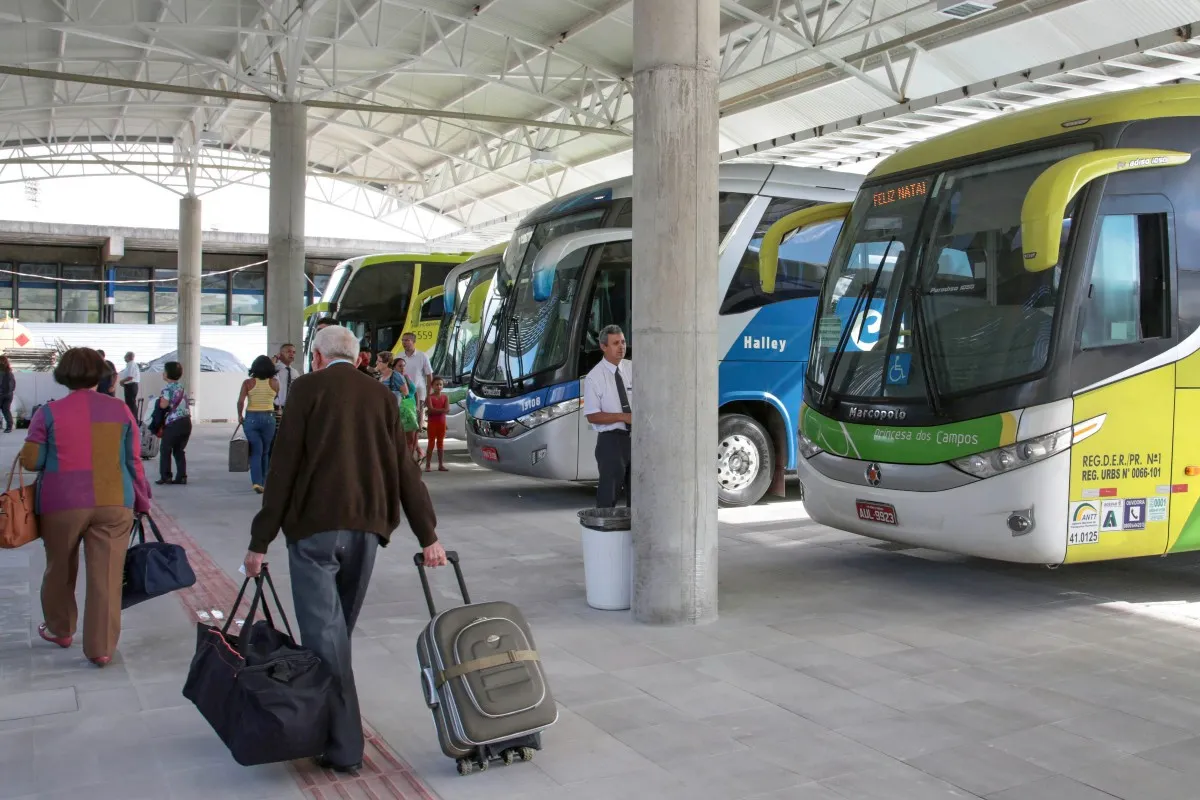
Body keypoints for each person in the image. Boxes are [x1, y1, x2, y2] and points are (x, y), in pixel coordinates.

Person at [243, 324, 446, 774]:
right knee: (333, 638)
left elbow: (283, 468)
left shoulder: (306, 391)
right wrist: (427, 533)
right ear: (356, 359)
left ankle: (343, 746)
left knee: (326, 640)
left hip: (314, 531)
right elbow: (404, 468)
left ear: (316, 357)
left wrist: (261, 540)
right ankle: (325, 728)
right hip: (366, 531)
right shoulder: (380, 396)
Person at [22, 348, 152, 667]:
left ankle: (61, 629)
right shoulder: (121, 411)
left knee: (59, 568)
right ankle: (101, 648)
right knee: (106, 575)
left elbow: (32, 460)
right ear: (100, 374)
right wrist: (143, 499)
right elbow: (133, 460)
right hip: (113, 501)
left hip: (61, 502)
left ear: (63, 375)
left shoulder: (48, 413)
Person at [583, 325, 632, 508]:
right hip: (612, 442)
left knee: (639, 495)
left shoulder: (632, 369)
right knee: (608, 495)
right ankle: (603, 533)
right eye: (615, 343)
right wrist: (623, 417)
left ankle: (634, 534)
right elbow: (592, 416)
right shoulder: (594, 377)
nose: (621, 347)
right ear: (604, 347)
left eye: (623, 342)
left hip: (637, 439)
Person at [237, 356, 279, 494]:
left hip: (252, 418)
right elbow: (274, 400)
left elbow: (240, 401)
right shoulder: (275, 383)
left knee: (256, 451)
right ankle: (264, 482)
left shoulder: (248, 383)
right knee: (266, 452)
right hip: (269, 418)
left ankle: (257, 482)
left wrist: (240, 416)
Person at [156, 361, 191, 486]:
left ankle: (166, 476)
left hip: (174, 422)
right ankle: (181, 476)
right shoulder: (181, 387)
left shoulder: (167, 388)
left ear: (167, 374)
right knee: (179, 450)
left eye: (164, 371)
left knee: (165, 449)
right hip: (186, 422)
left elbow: (163, 405)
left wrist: (158, 401)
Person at [399, 332, 432, 429]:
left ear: (413, 342)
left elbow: (429, 375)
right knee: (407, 417)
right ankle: (409, 442)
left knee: (418, 418)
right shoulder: (399, 356)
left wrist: (429, 394)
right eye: (403, 340)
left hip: (419, 389)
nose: (404, 342)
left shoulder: (422, 356)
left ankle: (415, 442)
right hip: (404, 391)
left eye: (407, 340)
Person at [392, 356, 421, 462]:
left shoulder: (406, 377)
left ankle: (411, 460)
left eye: (404, 366)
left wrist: (417, 406)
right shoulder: (393, 379)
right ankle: (405, 461)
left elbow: (415, 392)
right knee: (405, 438)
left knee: (413, 438)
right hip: (403, 411)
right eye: (400, 366)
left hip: (412, 409)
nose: (403, 368)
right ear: (394, 367)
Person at [424, 376, 449, 472]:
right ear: (432, 386)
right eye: (437, 384)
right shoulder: (429, 397)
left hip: (441, 423)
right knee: (431, 443)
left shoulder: (445, 397)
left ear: (442, 386)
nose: (439, 386)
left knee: (440, 443)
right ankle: (428, 465)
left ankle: (441, 465)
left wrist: (435, 411)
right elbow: (430, 409)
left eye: (440, 384)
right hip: (432, 423)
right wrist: (442, 410)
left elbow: (446, 410)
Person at [119, 351, 140, 421]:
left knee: (131, 404)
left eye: (125, 356)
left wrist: (122, 381)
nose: (124, 357)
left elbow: (130, 377)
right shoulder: (130, 364)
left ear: (128, 357)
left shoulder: (131, 364)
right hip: (130, 386)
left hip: (131, 386)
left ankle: (133, 420)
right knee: (130, 403)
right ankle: (132, 419)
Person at [0, 356, 15, 433]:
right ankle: (9, 427)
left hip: (1, 393)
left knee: (5, 410)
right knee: (6, 410)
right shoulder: (9, 371)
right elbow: (13, 384)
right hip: (9, 394)